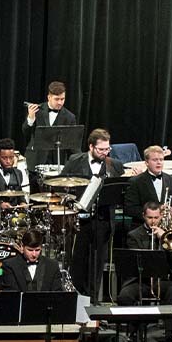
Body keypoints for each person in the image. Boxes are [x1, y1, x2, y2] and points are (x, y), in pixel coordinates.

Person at [61, 128, 123, 299]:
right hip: (80, 220)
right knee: (78, 261)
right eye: (101, 149)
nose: (105, 153)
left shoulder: (114, 165)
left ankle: (93, 301)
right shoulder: (75, 160)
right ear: (91, 147)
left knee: (97, 263)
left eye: (107, 149)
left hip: (103, 220)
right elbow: (61, 183)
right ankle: (76, 299)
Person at [118, 202, 172, 342]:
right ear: (143, 216)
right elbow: (135, 261)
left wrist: (163, 237)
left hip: (162, 279)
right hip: (141, 280)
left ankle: (171, 335)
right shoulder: (134, 235)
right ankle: (134, 331)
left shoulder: (168, 233)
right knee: (124, 296)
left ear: (161, 216)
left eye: (156, 217)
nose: (153, 221)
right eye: (150, 217)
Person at [123, 145, 172, 227]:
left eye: (161, 159)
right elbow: (129, 209)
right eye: (155, 160)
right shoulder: (135, 182)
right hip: (142, 228)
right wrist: (152, 214)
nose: (159, 162)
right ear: (146, 163)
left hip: (166, 229)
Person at [21, 81, 78, 168]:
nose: (60, 102)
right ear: (49, 97)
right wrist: (31, 119)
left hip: (57, 162)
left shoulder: (70, 117)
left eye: (62, 99)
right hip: (35, 160)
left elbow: (72, 144)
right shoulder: (37, 111)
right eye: (57, 99)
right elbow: (26, 133)